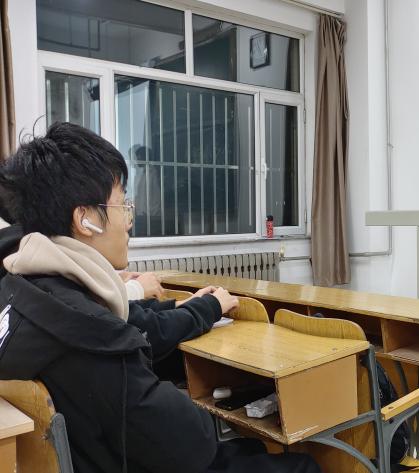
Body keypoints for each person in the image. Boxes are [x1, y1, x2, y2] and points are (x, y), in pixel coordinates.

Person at [0, 123, 321, 473]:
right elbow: (191, 443)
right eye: (122, 204)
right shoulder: (88, 334)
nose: (129, 220)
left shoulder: (23, 294)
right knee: (300, 465)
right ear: (86, 219)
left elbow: (132, 332)